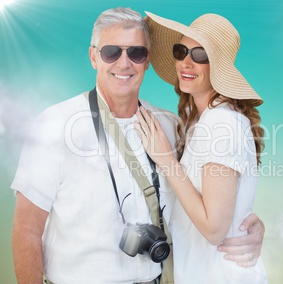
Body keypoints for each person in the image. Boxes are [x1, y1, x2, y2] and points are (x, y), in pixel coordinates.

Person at [11, 7, 265, 284]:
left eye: (136, 53)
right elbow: (26, 229)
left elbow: (211, 196)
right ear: (93, 57)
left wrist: (246, 226)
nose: (124, 63)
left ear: (147, 61)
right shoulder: (55, 124)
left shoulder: (170, 127)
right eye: (111, 52)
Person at [134, 12, 268, 284]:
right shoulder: (201, 121)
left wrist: (167, 161)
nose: (186, 61)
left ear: (218, 66)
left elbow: (215, 229)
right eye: (181, 51)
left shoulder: (222, 123)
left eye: (200, 54)